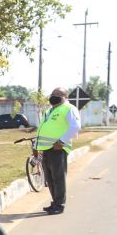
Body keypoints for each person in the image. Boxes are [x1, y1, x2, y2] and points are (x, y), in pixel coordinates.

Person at [35, 87, 81, 215]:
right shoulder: (50, 110)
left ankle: (60, 205)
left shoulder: (69, 108)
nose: (54, 95)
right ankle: (55, 202)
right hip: (46, 148)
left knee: (58, 177)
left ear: (65, 96)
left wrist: (61, 141)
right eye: (53, 93)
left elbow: (75, 126)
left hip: (58, 148)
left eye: (58, 94)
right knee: (49, 178)